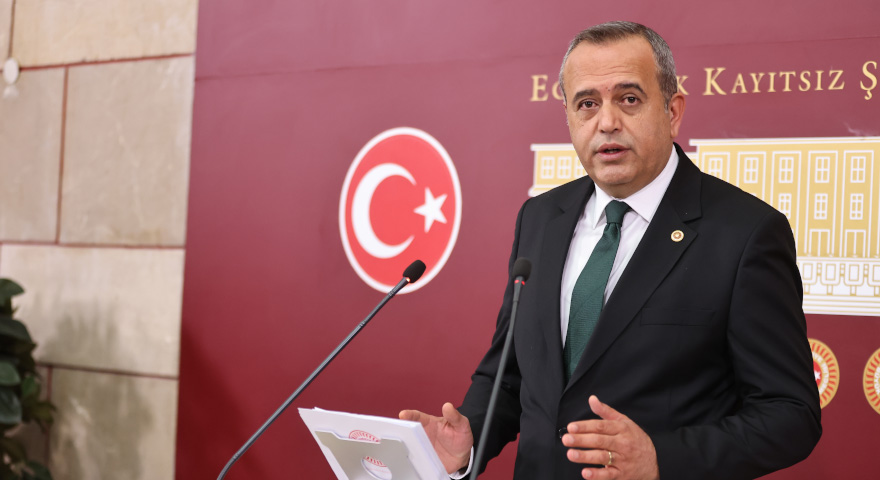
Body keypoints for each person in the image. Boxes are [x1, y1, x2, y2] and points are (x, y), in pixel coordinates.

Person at [400, 21, 821, 480]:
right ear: (568, 117)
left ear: (673, 110)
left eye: (629, 99)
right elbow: (510, 373)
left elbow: (790, 414)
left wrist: (661, 458)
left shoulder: (744, 233)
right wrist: (470, 437)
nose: (606, 122)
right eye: (587, 104)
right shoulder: (540, 217)